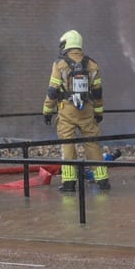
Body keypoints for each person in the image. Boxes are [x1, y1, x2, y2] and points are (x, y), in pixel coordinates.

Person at [41, 30, 109, 193]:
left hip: (66, 111)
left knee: (67, 144)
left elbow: (52, 90)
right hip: (87, 110)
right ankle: (102, 180)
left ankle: (69, 183)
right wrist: (99, 112)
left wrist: (47, 110)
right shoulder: (92, 64)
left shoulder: (59, 64)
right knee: (92, 143)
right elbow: (98, 92)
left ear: (67, 44)